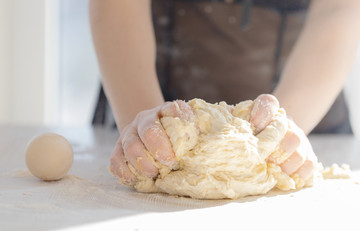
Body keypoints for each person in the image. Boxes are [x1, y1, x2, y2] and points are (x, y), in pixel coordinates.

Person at [89, 0, 360, 187]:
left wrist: (280, 132)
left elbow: (339, 8)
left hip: (310, 100)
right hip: (140, 89)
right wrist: (146, 134)